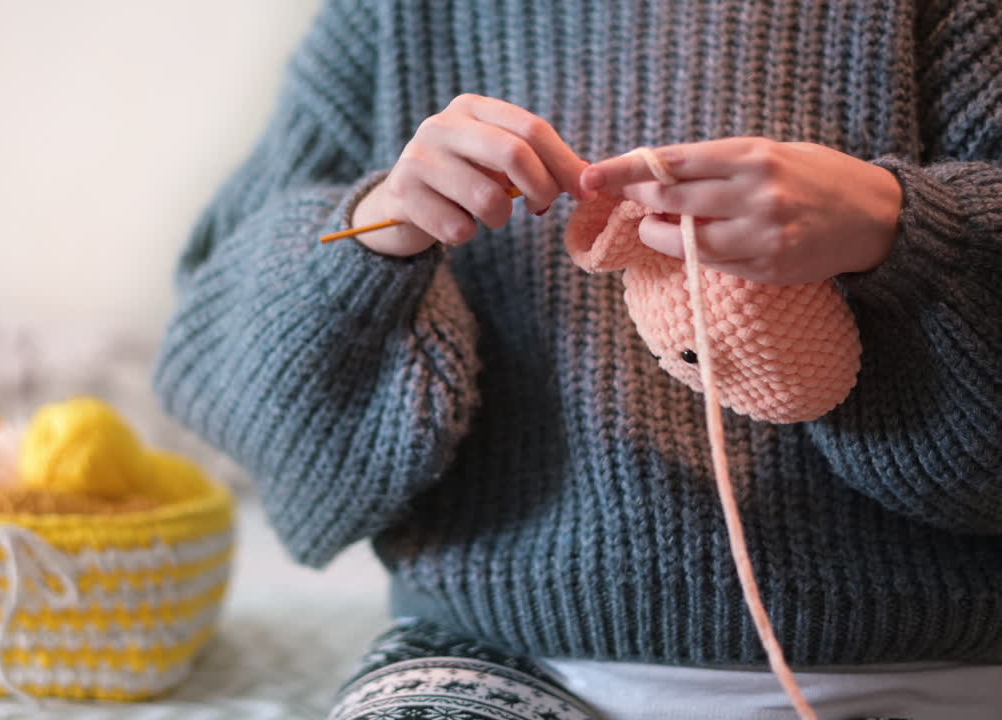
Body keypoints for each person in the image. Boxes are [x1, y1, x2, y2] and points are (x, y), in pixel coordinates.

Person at [153, 1, 1002, 718]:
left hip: (934, 670)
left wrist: (907, 228)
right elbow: (219, 354)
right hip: (500, 658)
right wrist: (374, 232)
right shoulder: (398, 16)